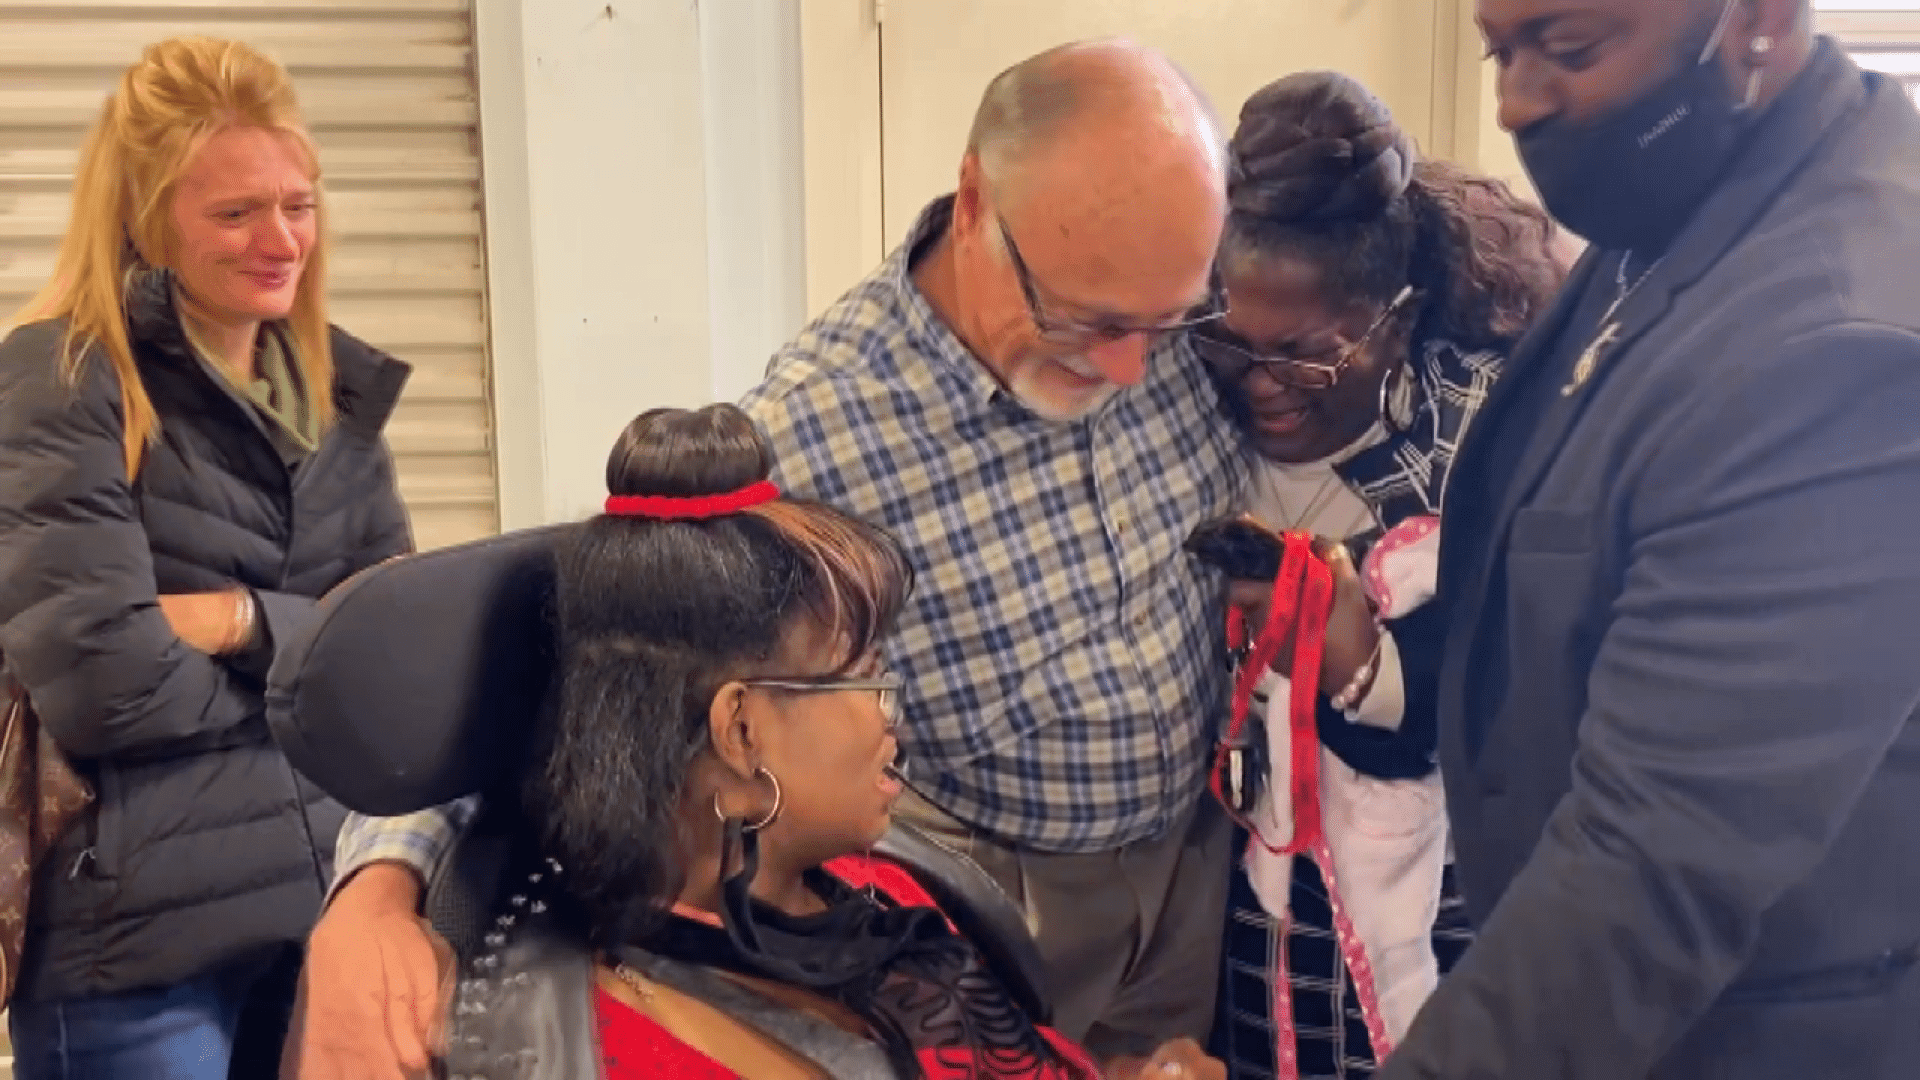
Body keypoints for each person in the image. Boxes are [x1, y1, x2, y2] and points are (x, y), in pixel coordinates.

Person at [288, 38, 1247, 1080]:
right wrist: (378, 890)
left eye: (1169, 319)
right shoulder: (817, 430)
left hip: (1185, 863)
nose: (1133, 366)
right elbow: (591, 670)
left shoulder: (1168, 318)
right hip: (1006, 893)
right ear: (974, 204)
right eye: (1086, 320)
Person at [323, 403, 1222, 1079]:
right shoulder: (638, 1040)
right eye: (863, 672)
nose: (888, 714)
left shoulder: (874, 883)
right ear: (742, 730)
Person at [1375, 1, 1920, 1076]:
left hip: (1733, 1032)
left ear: (1757, 19)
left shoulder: (1838, 346)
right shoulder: (1692, 191)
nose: (1515, 99)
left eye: (1571, 48)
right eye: (1499, 49)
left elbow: (1652, 869)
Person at [0, 35, 414, 1080]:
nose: (281, 240)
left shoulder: (329, 394)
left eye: (298, 204)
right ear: (149, 220)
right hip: (136, 955)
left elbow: (394, 654)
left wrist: (237, 622)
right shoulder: (66, 378)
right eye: (235, 213)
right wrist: (308, 667)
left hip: (318, 919)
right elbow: (105, 688)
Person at [1194, 72, 1561, 1079]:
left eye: (1306, 359)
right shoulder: (1183, 410)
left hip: (1428, 923)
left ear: (1395, 321)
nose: (1262, 386)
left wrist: (1355, 654)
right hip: (1242, 925)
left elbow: (1504, 714)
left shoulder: (1487, 445)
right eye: (1232, 341)